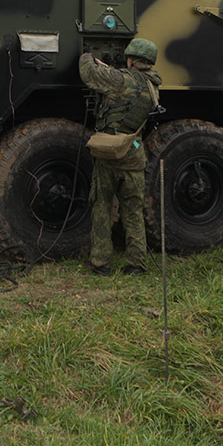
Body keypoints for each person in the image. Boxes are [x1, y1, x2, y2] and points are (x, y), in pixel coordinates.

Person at [79, 38, 162, 275]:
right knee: (133, 210)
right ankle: (136, 264)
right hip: (133, 151)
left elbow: (88, 74)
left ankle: (101, 263)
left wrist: (87, 55)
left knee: (102, 207)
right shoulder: (152, 87)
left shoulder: (118, 80)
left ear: (131, 59)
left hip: (109, 154)